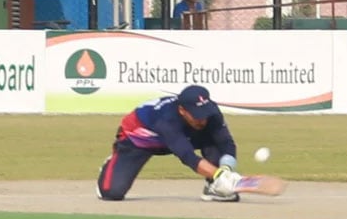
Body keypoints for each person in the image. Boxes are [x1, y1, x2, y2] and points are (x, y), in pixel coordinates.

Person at [96, 84, 242, 202]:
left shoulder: (211, 112)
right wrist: (218, 174)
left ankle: (214, 187)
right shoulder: (167, 119)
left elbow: (226, 143)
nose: (203, 120)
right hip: (140, 138)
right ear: (182, 110)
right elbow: (187, 156)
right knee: (111, 193)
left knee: (213, 138)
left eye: (205, 114)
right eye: (197, 116)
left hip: (185, 135)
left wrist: (226, 169)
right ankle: (112, 164)